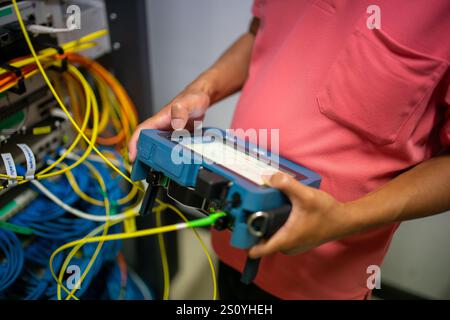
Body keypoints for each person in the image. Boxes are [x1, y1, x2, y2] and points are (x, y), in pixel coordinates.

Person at [128, 0, 450, 299]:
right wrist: (201, 90)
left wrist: (346, 218)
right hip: (232, 239)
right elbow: (258, 36)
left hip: (322, 280)